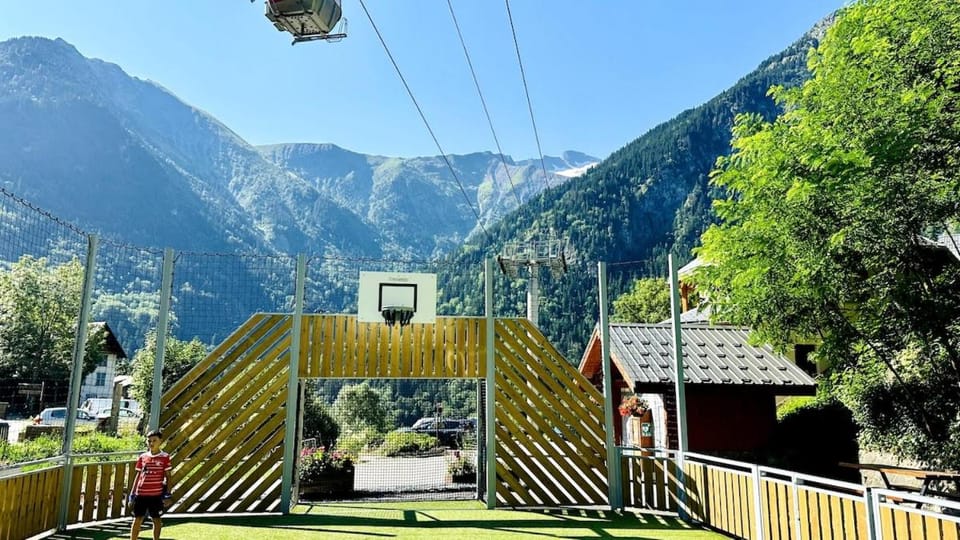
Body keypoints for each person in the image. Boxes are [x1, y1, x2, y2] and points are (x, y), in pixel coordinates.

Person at [129, 430, 172, 540]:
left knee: (156, 519)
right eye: (149, 441)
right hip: (141, 494)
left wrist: (168, 494)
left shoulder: (165, 457)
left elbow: (168, 477)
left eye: (154, 440)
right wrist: (132, 494)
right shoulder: (143, 457)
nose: (151, 443)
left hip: (156, 495)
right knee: (137, 519)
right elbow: (138, 475)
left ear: (160, 441)